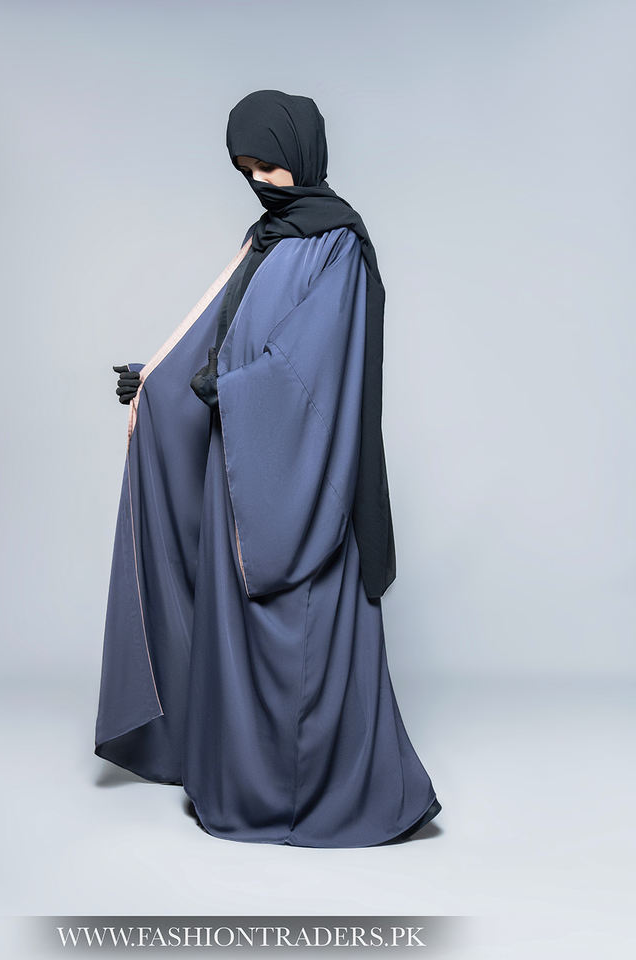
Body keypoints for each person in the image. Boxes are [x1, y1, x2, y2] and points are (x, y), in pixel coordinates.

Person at [96, 90, 442, 847]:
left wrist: (233, 391)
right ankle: (241, 783)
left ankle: (314, 798)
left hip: (300, 475)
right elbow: (216, 336)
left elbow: (312, 365)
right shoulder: (264, 240)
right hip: (239, 476)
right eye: (244, 168)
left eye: (269, 165)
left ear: (303, 155)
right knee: (240, 634)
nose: (258, 180)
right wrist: (155, 382)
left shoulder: (337, 243)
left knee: (302, 634)